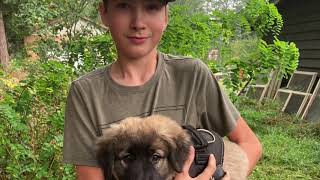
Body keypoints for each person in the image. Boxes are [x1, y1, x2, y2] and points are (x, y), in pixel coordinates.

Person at [63, 0, 263, 179]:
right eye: (124, 5)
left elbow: (250, 145)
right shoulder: (85, 93)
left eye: (152, 7)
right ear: (104, 13)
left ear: (166, 15)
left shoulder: (192, 75)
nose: (138, 23)